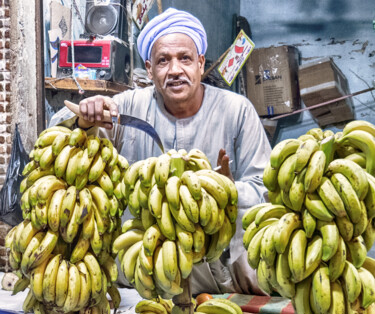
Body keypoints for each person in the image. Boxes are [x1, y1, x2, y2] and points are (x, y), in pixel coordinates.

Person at [50, 8, 271, 295]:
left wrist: (227, 189)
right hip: (138, 273)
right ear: (150, 68)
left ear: (201, 64)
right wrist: (83, 119)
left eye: (185, 58)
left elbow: (264, 191)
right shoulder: (126, 107)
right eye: (163, 61)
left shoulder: (237, 110)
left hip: (215, 275)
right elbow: (56, 140)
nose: (175, 70)